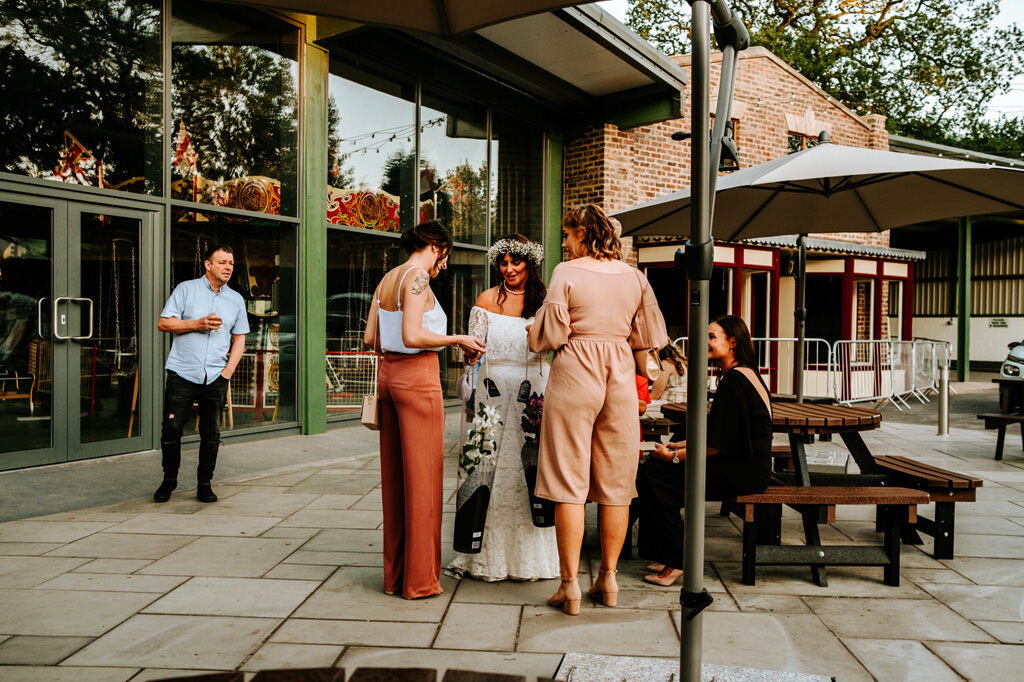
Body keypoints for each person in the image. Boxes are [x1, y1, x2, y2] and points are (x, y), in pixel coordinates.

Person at [528, 204, 669, 615]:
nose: (565, 244)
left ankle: (569, 586)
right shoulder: (635, 277)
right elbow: (646, 338)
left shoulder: (566, 272)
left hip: (576, 368)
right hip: (620, 374)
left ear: (583, 233)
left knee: (568, 478)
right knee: (616, 483)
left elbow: (551, 334)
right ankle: (608, 580)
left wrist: (535, 331)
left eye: (568, 235)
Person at [363, 221, 486, 599]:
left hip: (389, 378)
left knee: (397, 482)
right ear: (435, 246)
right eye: (445, 255)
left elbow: (371, 338)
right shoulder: (417, 277)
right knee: (424, 483)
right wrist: (457, 339)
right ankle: (419, 582)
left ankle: (395, 578)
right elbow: (414, 335)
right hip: (418, 380)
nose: (444, 265)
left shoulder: (388, 278)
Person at [447, 234, 559, 582]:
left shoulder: (545, 302)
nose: (509, 269)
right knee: (484, 467)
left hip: (533, 395)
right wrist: (467, 356)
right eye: (503, 263)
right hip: (491, 391)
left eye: (516, 262)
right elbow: (471, 353)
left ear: (530, 264)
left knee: (530, 470)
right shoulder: (486, 299)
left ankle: (532, 559)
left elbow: (553, 345)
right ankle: (481, 555)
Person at [637, 315, 773, 586]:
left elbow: (719, 444)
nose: (705, 342)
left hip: (744, 470)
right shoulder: (741, 373)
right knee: (654, 469)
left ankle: (678, 560)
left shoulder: (735, 380)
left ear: (732, 342)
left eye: (712, 337)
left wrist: (674, 456)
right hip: (742, 463)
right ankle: (666, 553)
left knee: (657, 476)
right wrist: (681, 445)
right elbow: (720, 431)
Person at [154, 244, 249, 504]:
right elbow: (164, 323)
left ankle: (204, 484)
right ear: (208, 265)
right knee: (172, 430)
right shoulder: (186, 289)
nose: (228, 267)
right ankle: (169, 481)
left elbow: (239, 338)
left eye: (231, 262)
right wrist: (196, 323)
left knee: (212, 434)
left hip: (216, 377)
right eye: (222, 262)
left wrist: (228, 371)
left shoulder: (236, 299)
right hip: (182, 372)